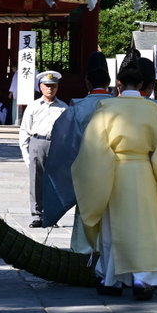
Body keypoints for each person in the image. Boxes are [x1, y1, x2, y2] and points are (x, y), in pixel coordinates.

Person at [73, 56, 157, 300]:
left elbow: (93, 153)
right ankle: (143, 280)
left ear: (118, 84)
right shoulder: (155, 113)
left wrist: (96, 182)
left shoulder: (105, 110)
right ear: (145, 85)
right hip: (144, 174)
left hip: (113, 174)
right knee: (146, 228)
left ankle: (112, 280)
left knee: (111, 229)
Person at [40, 53, 115, 246]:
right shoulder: (119, 107)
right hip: (118, 172)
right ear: (109, 81)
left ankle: (85, 254)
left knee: (87, 215)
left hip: (88, 171)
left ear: (87, 81)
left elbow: (64, 145)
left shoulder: (77, 109)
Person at [18, 70, 68, 228]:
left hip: (56, 145)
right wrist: (26, 155)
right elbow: (24, 131)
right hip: (37, 143)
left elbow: (67, 131)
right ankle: (37, 215)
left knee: (54, 182)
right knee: (36, 181)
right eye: (47, 85)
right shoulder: (33, 107)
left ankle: (51, 216)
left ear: (57, 87)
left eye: (53, 86)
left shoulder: (64, 107)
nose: (50, 89)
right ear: (40, 87)